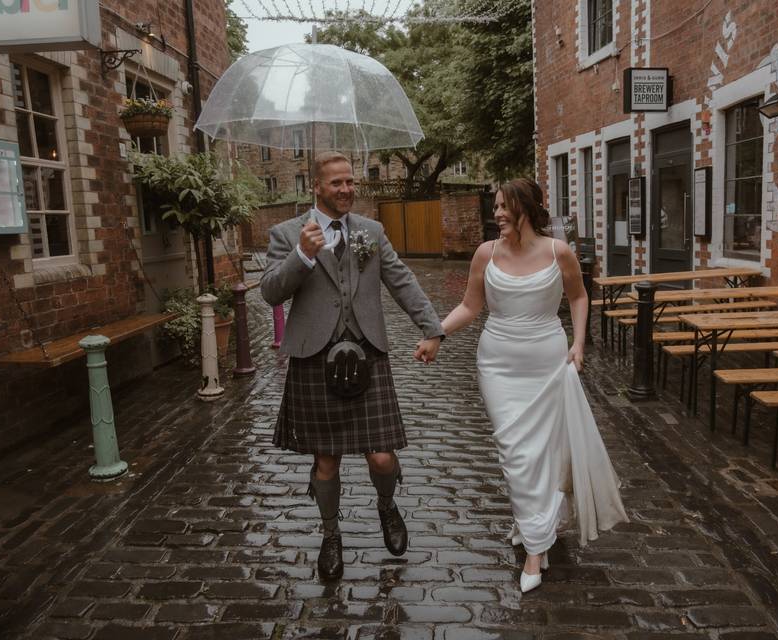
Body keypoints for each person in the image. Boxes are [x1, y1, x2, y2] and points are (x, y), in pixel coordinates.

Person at [261, 151, 443, 580]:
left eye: (350, 181)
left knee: (381, 458)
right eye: (337, 183)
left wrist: (431, 327)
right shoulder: (288, 234)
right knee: (327, 462)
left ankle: (386, 505)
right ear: (317, 187)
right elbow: (270, 292)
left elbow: (401, 280)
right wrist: (302, 256)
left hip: (369, 355)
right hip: (314, 358)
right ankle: (330, 535)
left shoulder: (371, 231)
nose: (347, 189)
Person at [440, 178, 627, 593]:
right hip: (498, 365)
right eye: (496, 206)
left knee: (542, 451)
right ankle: (535, 528)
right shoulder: (485, 254)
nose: (498, 214)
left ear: (526, 208)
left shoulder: (558, 252)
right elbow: (470, 306)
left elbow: (579, 296)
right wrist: (436, 334)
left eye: (505, 206)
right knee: (515, 452)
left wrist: (578, 343)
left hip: (546, 361)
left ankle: (535, 546)